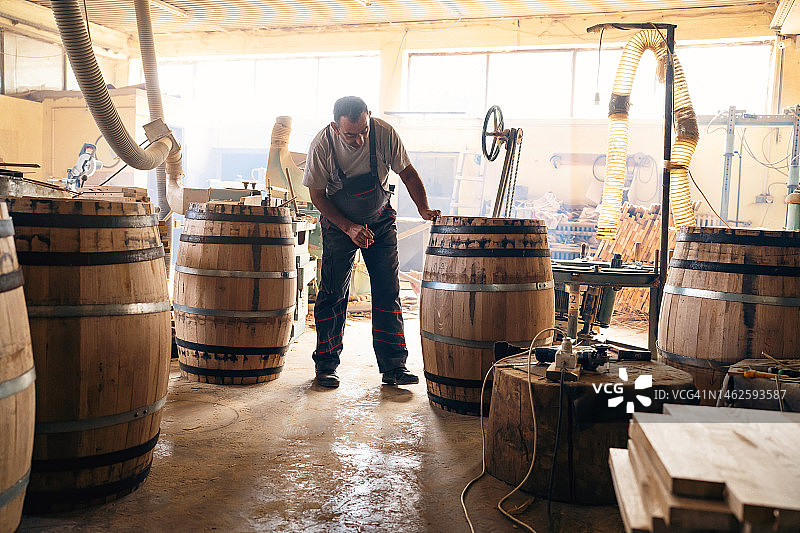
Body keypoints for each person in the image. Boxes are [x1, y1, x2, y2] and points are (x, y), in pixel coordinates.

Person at [302, 96, 440, 388]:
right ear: (335, 127)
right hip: (339, 224)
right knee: (333, 293)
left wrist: (423, 208)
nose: (359, 139)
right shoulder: (321, 146)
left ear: (369, 118)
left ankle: (394, 367)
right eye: (350, 134)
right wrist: (349, 227)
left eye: (363, 130)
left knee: (388, 291)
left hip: (379, 220)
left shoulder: (385, 134)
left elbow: (408, 173)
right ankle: (326, 365)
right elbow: (317, 196)